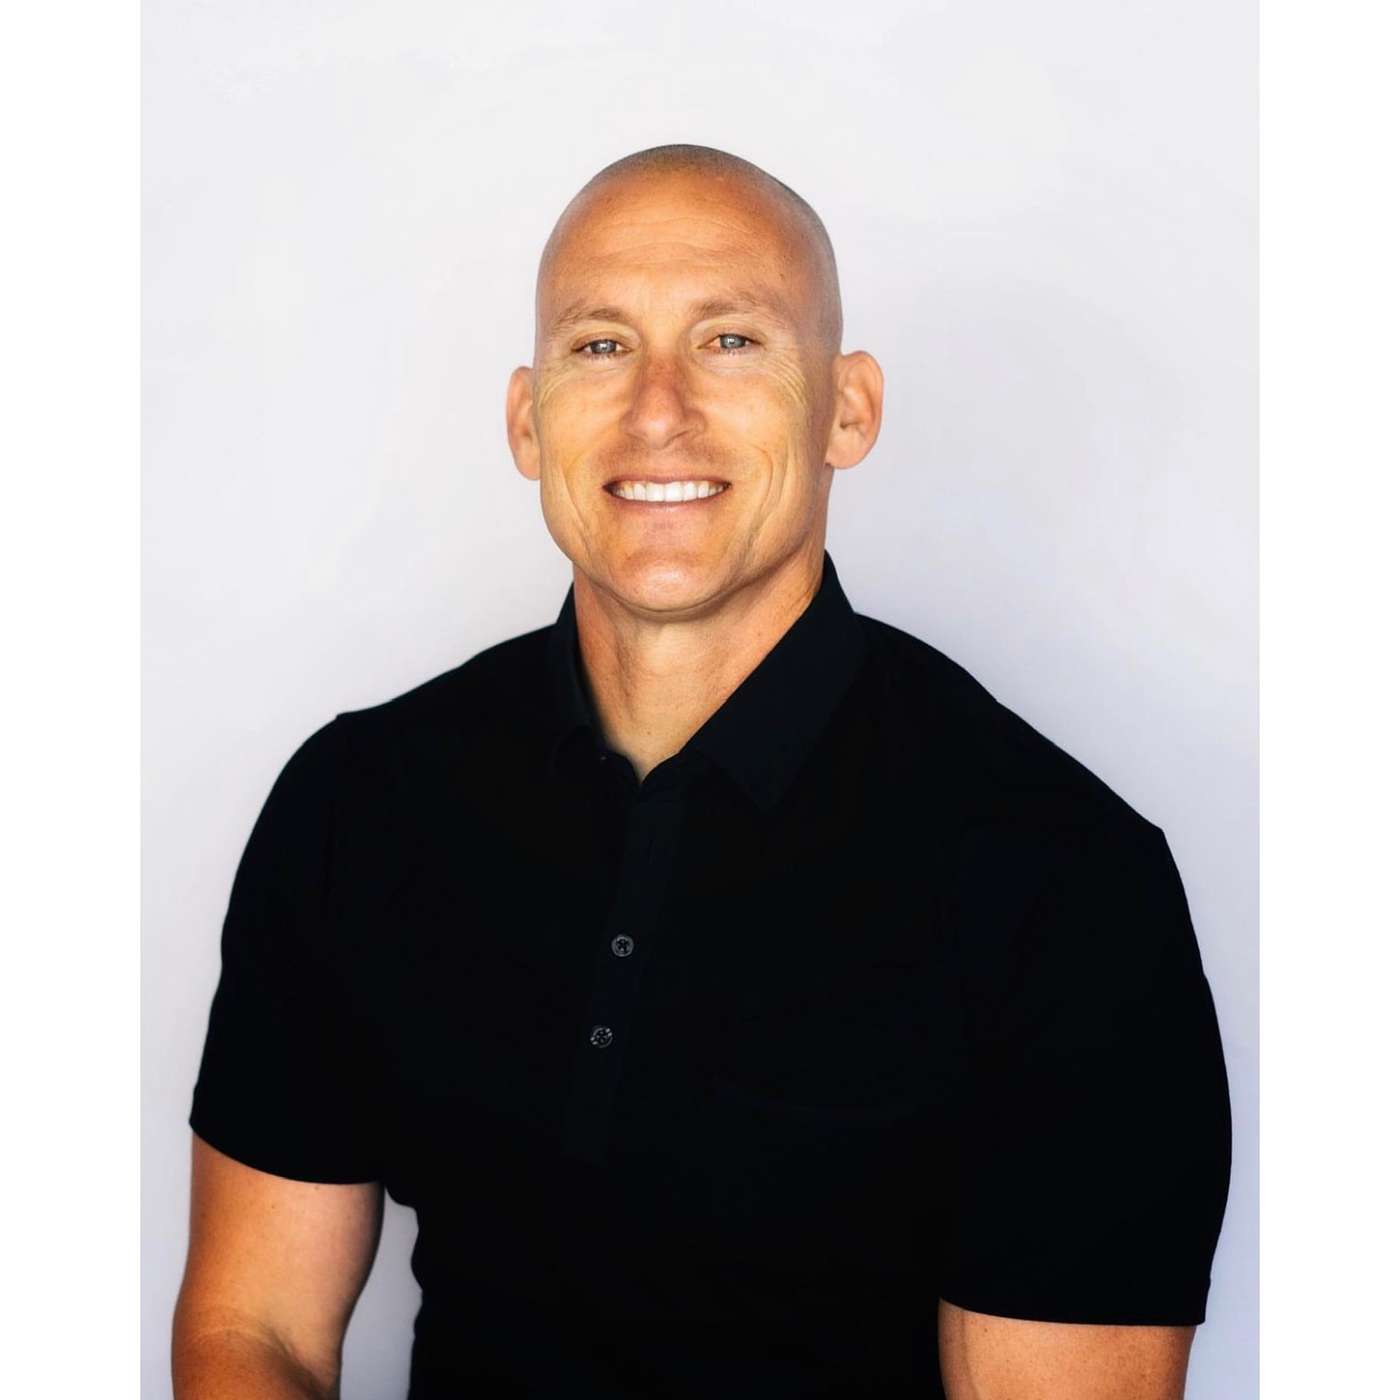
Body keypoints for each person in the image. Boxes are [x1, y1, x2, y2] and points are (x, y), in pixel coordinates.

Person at [172, 143, 1231, 1400]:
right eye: (600, 345)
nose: (656, 410)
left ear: (846, 408)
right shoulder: (354, 805)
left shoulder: (1067, 885)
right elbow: (255, 1329)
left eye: (730, 341)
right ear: (526, 419)